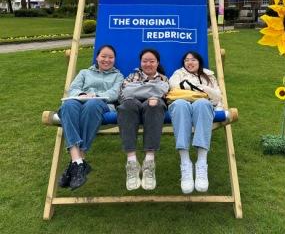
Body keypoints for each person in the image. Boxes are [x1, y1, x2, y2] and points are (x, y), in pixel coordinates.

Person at [168, 51, 238, 194]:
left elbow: (217, 96)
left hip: (203, 107)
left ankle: (201, 163)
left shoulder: (209, 76)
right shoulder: (178, 73)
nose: (190, 62)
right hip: (182, 104)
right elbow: (174, 87)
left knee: (202, 104)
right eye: (186, 60)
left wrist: (198, 90)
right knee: (180, 105)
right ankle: (185, 163)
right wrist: (205, 91)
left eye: (193, 59)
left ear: (199, 62)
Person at [58, 44, 124, 190]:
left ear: (114, 60)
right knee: (67, 107)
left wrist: (96, 96)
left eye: (111, 57)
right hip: (80, 101)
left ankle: (76, 163)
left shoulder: (118, 76)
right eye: (103, 56)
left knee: (92, 104)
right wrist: (82, 94)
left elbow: (115, 94)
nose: (107, 60)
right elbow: (73, 89)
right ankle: (79, 162)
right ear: (97, 57)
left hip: (102, 104)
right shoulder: (84, 73)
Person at [117, 48, 169, 191]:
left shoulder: (163, 78)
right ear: (140, 62)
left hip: (152, 106)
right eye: (145, 61)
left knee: (155, 105)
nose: (148, 64)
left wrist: (138, 89)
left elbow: (164, 93)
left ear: (157, 63)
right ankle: (132, 163)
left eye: (152, 61)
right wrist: (152, 89)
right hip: (132, 105)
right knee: (127, 106)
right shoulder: (132, 75)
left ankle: (149, 162)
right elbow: (123, 93)